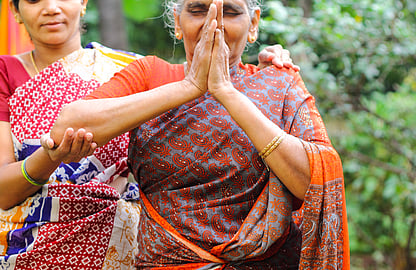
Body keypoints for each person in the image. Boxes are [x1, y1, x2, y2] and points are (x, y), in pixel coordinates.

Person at [0, 0, 296, 269]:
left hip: (116, 244)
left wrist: (264, 65)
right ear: (16, 12)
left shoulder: (130, 70)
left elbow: (204, 84)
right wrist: (50, 157)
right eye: (33, 0)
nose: (50, 8)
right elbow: (3, 189)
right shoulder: (2, 72)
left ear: (84, 3)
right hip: (25, 242)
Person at [47, 0, 350, 269]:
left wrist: (227, 92)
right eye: (197, 10)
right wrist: (189, 86)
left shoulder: (278, 84)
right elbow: (66, 127)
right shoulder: (151, 76)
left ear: (253, 24)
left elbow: (316, 182)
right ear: (177, 22)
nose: (213, 23)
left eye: (230, 12)